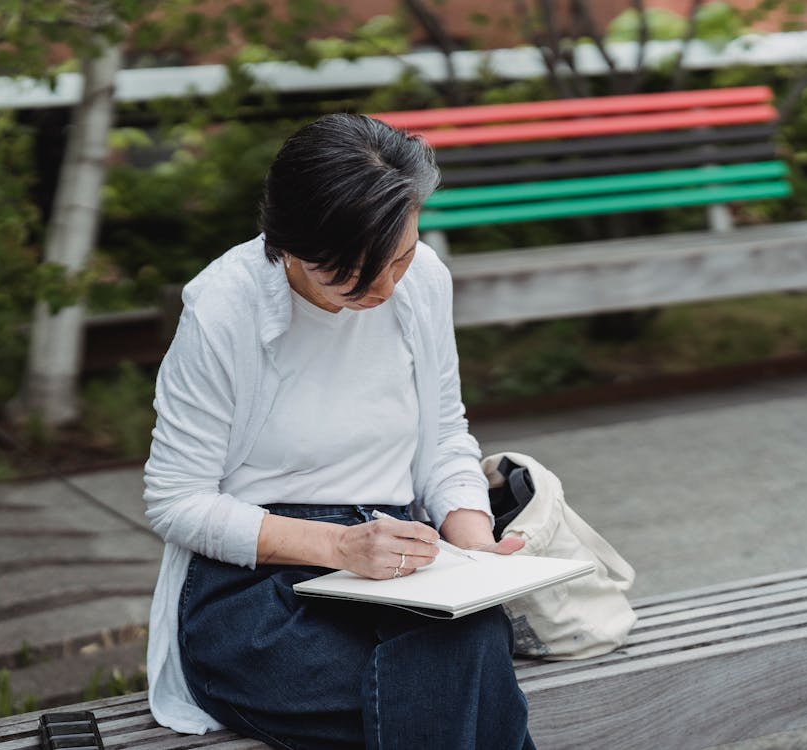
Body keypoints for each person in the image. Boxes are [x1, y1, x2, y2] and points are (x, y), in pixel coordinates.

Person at [142, 113, 535, 750]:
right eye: (353, 275)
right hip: (260, 584)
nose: (383, 288)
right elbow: (174, 499)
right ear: (289, 246)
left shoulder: (425, 280)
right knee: (456, 683)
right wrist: (339, 547)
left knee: (461, 644)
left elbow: (443, 437)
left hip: (407, 562)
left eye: (400, 258)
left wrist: (474, 542)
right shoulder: (223, 309)